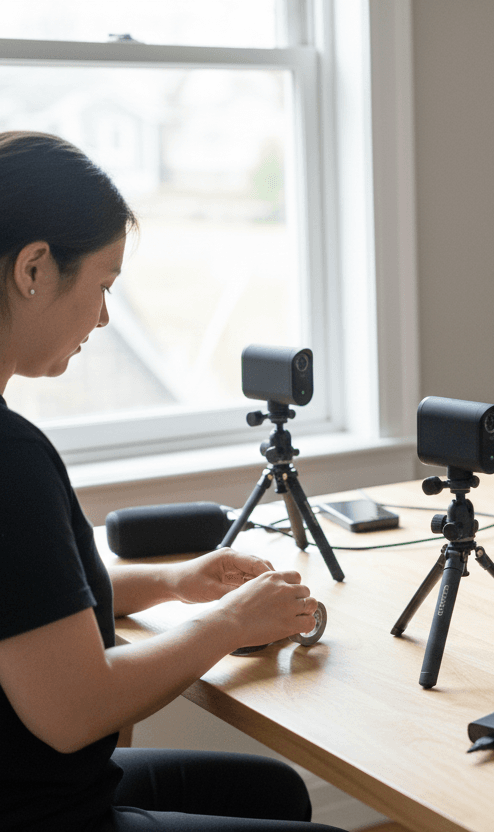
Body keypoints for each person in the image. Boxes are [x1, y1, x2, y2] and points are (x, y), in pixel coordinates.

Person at [0, 132, 346, 831]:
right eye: (102, 285)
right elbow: (74, 710)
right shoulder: (11, 460)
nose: (102, 317)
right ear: (34, 268)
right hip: (37, 814)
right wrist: (230, 623)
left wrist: (172, 581)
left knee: (273, 793)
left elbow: (28, 612)